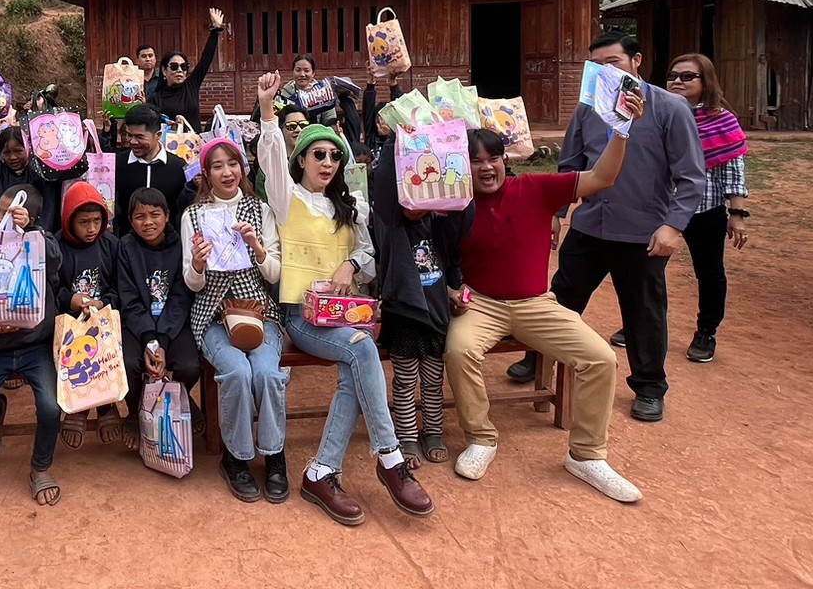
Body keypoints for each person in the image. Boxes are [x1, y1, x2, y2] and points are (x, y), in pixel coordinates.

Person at [257, 71, 433, 526]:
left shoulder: (350, 205)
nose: (328, 161)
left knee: (356, 364)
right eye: (319, 154)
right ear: (301, 159)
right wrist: (268, 109)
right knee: (363, 349)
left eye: (335, 155)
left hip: (345, 315)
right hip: (301, 316)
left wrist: (351, 266)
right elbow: (271, 157)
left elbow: (368, 253)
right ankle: (390, 456)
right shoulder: (286, 199)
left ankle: (322, 471)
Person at [445, 120, 645, 503]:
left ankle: (586, 455)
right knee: (459, 349)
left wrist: (620, 132)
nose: (486, 167)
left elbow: (602, 177)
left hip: (535, 303)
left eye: (493, 158)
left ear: (505, 160)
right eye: (474, 161)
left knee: (601, 358)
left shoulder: (536, 188)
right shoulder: (454, 205)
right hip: (480, 302)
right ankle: (480, 437)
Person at [510, 32, 704, 424]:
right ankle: (538, 359)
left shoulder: (670, 109)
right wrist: (556, 212)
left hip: (643, 233)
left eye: (612, 62)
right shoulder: (589, 109)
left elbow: (691, 176)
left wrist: (673, 226)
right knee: (559, 300)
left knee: (644, 312)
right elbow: (570, 166)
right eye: (596, 66)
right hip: (590, 226)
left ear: (636, 61)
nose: (604, 71)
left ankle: (649, 387)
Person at [183, 134, 288, 504]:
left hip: (258, 312)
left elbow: (274, 274)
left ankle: (275, 454)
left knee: (268, 373)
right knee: (237, 372)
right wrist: (198, 263)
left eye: (233, 164)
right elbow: (192, 283)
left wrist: (257, 247)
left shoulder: (261, 211)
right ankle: (237, 457)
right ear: (206, 174)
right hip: (213, 315)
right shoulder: (193, 216)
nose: (226, 172)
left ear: (243, 169)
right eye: (217, 166)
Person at [0, 190, 68, 506]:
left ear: (30, 217)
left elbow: (55, 260)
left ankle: (40, 468)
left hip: (36, 347)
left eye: (9, 212)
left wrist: (31, 230)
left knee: (51, 407)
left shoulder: (39, 244)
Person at [371, 127, 463, 467]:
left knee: (434, 380)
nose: (417, 204)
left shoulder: (440, 225)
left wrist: (453, 146)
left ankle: (434, 432)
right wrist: (396, 139)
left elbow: (463, 214)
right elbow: (383, 185)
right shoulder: (391, 225)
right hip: (404, 315)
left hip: (436, 317)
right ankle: (407, 437)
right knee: (406, 380)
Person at [665, 52, 751, 364]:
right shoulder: (659, 113)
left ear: (706, 81)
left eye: (688, 76)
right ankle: (640, 324)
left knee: (710, 272)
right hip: (662, 208)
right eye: (673, 76)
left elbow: (733, 169)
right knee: (645, 270)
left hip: (705, 208)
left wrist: (736, 214)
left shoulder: (721, 120)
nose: (678, 81)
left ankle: (706, 332)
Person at [116, 187, 202, 453]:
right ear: (130, 221)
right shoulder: (125, 247)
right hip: (137, 326)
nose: (148, 222)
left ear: (167, 215)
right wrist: (150, 340)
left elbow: (181, 297)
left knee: (190, 365)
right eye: (140, 216)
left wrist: (161, 340)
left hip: (173, 324)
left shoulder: (180, 245)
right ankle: (135, 410)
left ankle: (179, 397)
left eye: (155, 215)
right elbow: (128, 299)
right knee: (127, 364)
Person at [55, 182, 124, 447]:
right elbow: (51, 288)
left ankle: (105, 404)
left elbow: (121, 286)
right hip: (70, 323)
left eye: (97, 220)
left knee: (106, 350)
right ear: (69, 220)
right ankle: (80, 406)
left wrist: (103, 302)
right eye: (84, 222)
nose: (92, 228)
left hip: (105, 322)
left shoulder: (111, 245)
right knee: (75, 354)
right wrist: (70, 300)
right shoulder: (57, 247)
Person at [114, 103, 194, 238]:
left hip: (170, 245)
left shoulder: (178, 167)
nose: (132, 142)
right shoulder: (117, 165)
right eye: (129, 135)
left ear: (158, 135)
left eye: (139, 137)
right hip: (125, 245)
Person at [149, 8, 226, 126]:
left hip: (194, 137)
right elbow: (152, 124)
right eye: (174, 66)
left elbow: (206, 59)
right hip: (170, 138)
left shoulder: (191, 86)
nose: (179, 70)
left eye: (184, 66)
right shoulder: (156, 98)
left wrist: (215, 30)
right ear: (164, 71)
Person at [277, 55, 340, 126]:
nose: (302, 74)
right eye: (298, 70)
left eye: (306, 71)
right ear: (293, 72)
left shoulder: (323, 94)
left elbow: (330, 120)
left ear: (313, 73)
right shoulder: (285, 95)